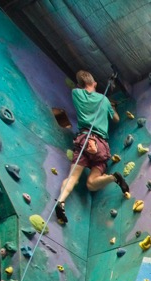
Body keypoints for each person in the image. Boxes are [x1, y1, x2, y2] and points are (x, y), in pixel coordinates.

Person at [54, 70, 130, 226]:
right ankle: (113, 177)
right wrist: (112, 106)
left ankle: (61, 202)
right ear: (94, 83)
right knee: (91, 183)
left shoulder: (76, 93)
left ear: (79, 85)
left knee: (73, 178)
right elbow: (116, 118)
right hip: (101, 143)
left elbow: (81, 91)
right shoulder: (104, 100)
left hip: (85, 138)